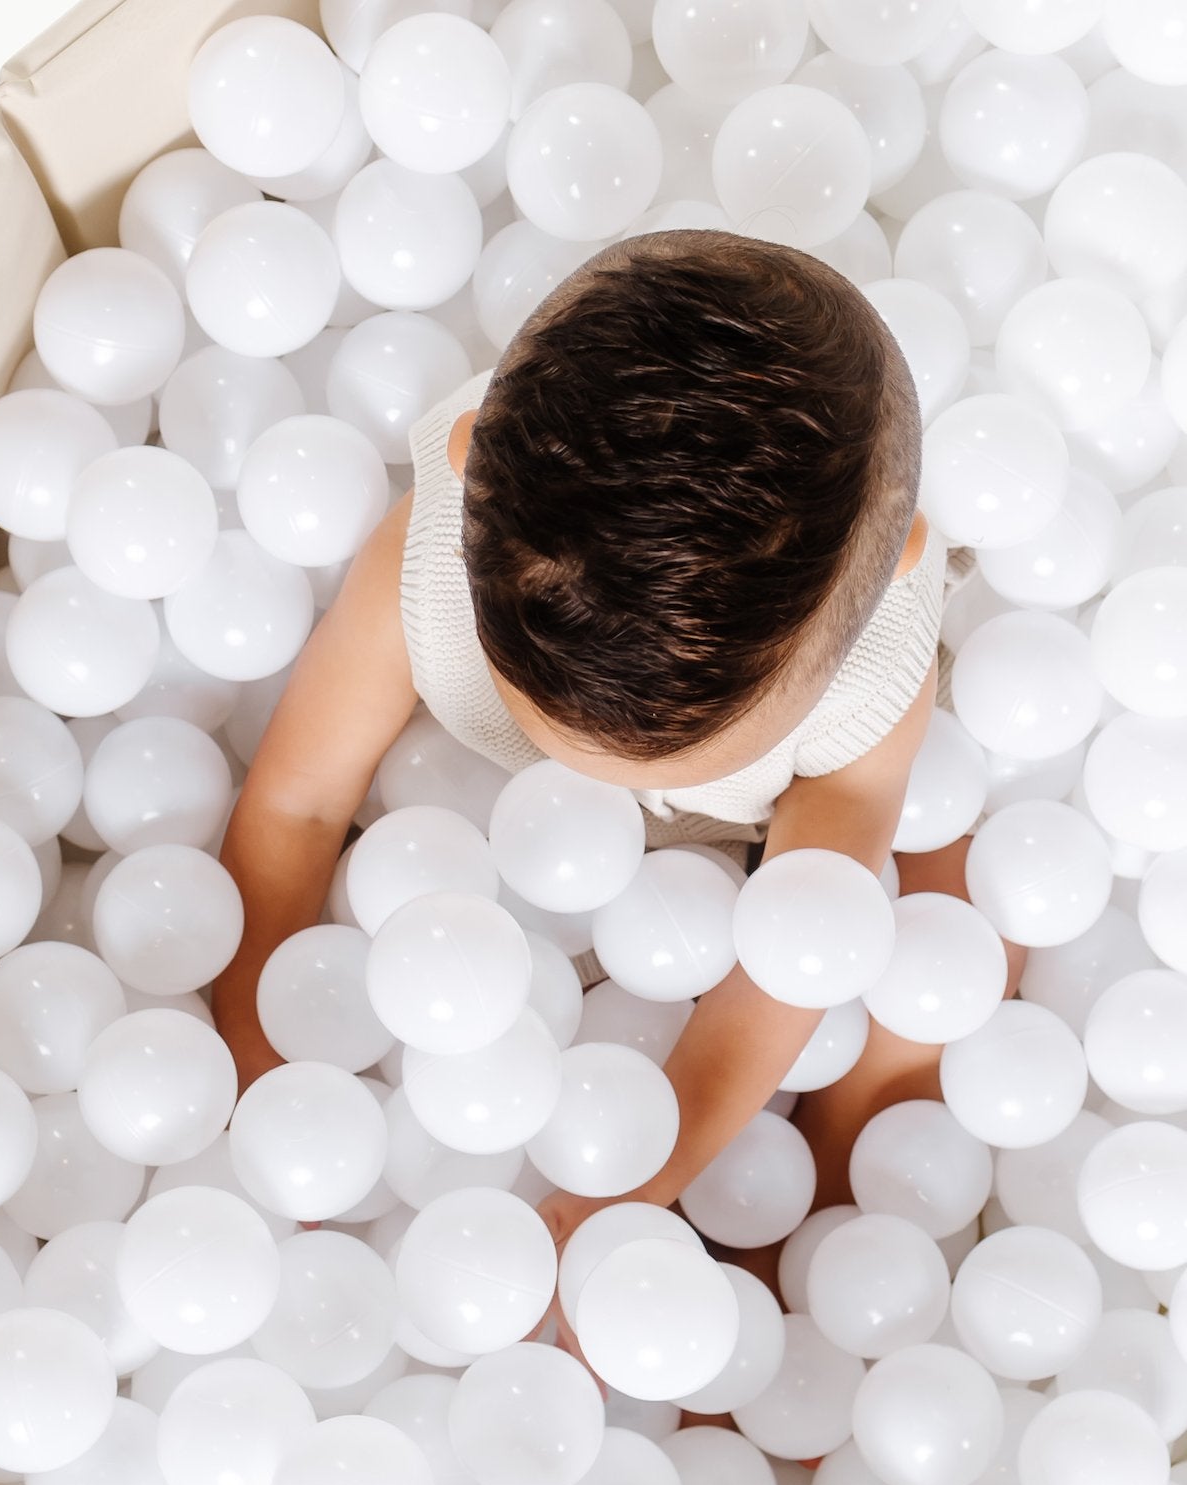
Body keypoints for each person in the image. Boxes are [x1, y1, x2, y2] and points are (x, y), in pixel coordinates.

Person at [212, 227, 1018, 1263]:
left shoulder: (868, 672)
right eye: (554, 731)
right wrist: (255, 1050)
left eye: (661, 770)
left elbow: (795, 956)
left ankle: (789, 1232)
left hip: (794, 809)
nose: (601, 793)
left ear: (897, 574)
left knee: (945, 949)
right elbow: (298, 802)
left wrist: (646, 1182)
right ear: (469, 471)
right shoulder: (449, 542)